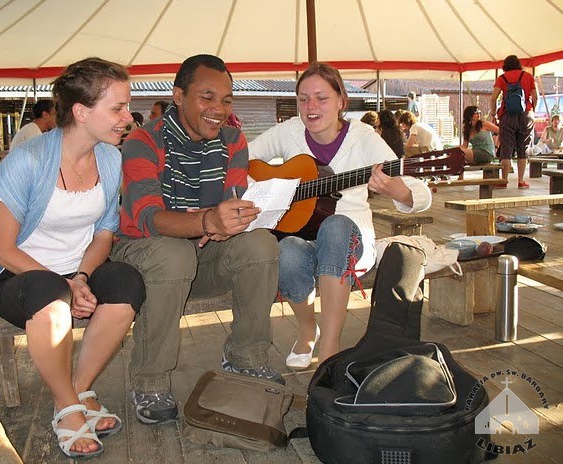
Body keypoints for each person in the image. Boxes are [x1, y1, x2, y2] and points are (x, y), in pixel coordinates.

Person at [111, 54, 282, 425]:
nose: (218, 109)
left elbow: (229, 209)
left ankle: (246, 357)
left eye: (226, 100)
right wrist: (208, 220)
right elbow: (148, 218)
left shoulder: (234, 140)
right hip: (142, 254)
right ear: (178, 95)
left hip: (203, 254)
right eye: (207, 97)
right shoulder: (143, 140)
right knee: (173, 254)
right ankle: (150, 379)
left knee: (261, 244)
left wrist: (236, 218)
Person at [0, 57, 145, 458]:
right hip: (23, 279)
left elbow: (105, 232)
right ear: (81, 111)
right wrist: (64, 285)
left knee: (127, 281)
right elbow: (3, 249)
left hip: (79, 273)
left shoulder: (111, 159)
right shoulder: (27, 161)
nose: (127, 118)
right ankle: (67, 407)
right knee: (48, 293)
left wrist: (79, 277)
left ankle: (78, 389)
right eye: (117, 108)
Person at [248, 62, 432, 369]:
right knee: (287, 250)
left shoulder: (363, 138)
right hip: (303, 236)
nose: (311, 106)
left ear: (341, 102)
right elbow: (246, 161)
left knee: (335, 225)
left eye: (321, 97)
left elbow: (418, 190)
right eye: (303, 98)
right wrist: (272, 192)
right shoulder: (288, 131)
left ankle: (330, 347)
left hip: (352, 241)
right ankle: (308, 329)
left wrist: (395, 190)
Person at [490, 54, 538, 188]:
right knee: (523, 148)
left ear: (505, 65)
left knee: (506, 148)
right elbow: (535, 96)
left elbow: (493, 98)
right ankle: (521, 181)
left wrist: (493, 113)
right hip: (526, 115)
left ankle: (504, 180)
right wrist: (532, 109)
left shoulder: (502, 78)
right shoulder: (528, 76)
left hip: (507, 115)